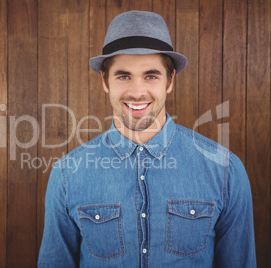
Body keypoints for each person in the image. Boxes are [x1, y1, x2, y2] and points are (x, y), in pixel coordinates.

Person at [38, 10, 256, 268]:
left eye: (151, 75)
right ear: (105, 81)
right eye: (123, 75)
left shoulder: (225, 171)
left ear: (170, 80)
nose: (137, 92)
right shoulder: (67, 175)